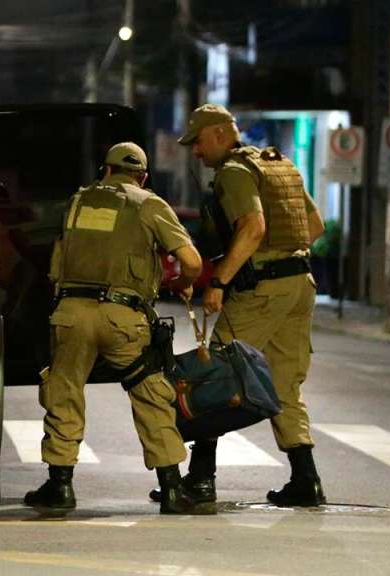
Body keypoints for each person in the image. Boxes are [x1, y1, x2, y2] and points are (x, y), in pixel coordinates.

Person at [23, 142, 213, 515]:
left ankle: (59, 485)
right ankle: (172, 488)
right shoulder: (148, 203)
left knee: (64, 391)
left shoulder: (78, 202)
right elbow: (191, 261)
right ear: (142, 176)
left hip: (72, 313)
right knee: (150, 394)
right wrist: (181, 283)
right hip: (123, 317)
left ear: (105, 170)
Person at [173, 104, 326, 507]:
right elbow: (314, 227)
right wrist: (280, 257)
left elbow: (253, 226)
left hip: (262, 289)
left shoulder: (235, 172)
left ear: (221, 134)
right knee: (284, 382)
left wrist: (222, 280)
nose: (196, 152)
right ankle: (305, 480)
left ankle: (201, 478)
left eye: (199, 142)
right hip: (300, 284)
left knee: (216, 372)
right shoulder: (280, 166)